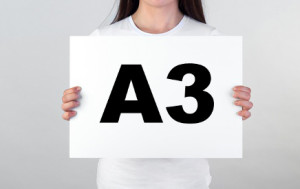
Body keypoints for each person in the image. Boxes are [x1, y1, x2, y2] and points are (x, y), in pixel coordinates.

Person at [61, 0, 253, 188]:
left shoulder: (211, 39)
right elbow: (95, 115)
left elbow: (216, 118)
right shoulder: (102, 40)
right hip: (119, 180)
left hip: (188, 180)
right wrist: (77, 107)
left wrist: (232, 108)